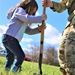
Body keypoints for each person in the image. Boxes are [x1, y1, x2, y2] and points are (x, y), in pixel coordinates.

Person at [2, 0, 47, 73]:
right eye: (32, 11)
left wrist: (38, 29)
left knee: (10, 58)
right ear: (29, 7)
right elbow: (27, 18)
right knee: (21, 56)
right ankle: (13, 73)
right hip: (9, 38)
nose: (32, 13)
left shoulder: (23, 20)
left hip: (9, 39)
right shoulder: (19, 10)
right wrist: (41, 18)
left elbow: (29, 31)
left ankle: (5, 72)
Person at [42, 0, 75, 75]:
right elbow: (63, 5)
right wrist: (51, 4)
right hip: (71, 21)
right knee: (62, 51)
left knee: (71, 50)